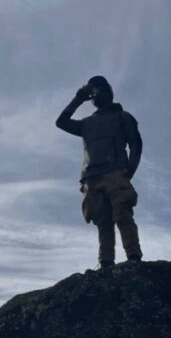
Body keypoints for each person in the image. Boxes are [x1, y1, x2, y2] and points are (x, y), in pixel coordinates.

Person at [55, 75, 144, 267]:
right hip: (92, 178)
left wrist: (129, 171)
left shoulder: (123, 117)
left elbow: (135, 144)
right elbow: (61, 122)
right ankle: (105, 262)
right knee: (102, 220)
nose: (96, 94)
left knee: (123, 214)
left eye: (100, 89)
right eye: (94, 90)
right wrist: (78, 98)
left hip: (116, 173)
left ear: (109, 92)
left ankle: (133, 256)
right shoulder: (87, 123)